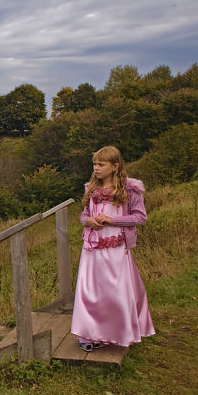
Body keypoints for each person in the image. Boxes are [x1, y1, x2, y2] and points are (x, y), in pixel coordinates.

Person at [70, 146, 155, 352]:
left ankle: (116, 332)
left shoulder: (130, 189)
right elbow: (83, 215)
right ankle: (91, 333)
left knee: (114, 292)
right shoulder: (91, 187)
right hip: (91, 248)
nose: (96, 168)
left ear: (115, 166)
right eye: (95, 164)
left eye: (101, 164)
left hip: (116, 248)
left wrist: (112, 219)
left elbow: (140, 217)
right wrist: (88, 220)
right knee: (89, 292)